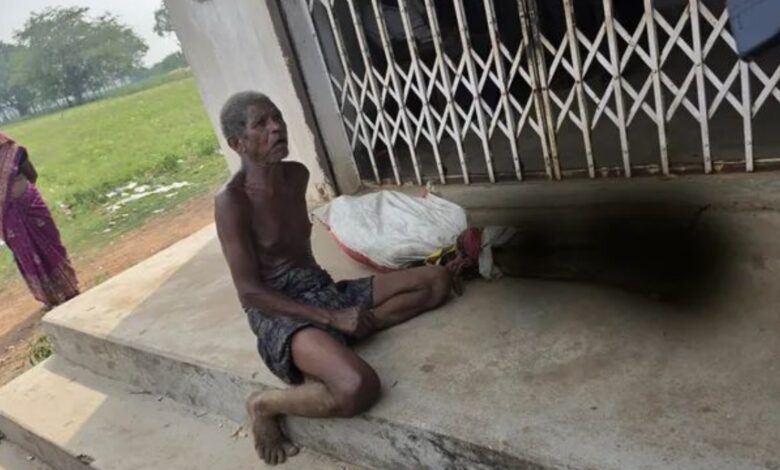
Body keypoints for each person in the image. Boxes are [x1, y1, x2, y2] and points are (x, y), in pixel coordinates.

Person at [214, 91, 454, 466]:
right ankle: (263, 405)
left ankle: (347, 334)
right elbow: (249, 292)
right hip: (279, 313)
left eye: (277, 118)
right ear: (237, 143)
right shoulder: (232, 201)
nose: (276, 127)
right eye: (261, 123)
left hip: (320, 289)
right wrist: (330, 317)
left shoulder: (297, 175)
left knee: (437, 280)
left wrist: (336, 309)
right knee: (356, 386)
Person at [0, 132, 79, 307]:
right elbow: (31, 175)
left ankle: (66, 289)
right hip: (11, 212)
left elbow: (31, 174)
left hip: (26, 206)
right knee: (27, 252)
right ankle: (51, 296)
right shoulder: (14, 152)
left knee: (47, 244)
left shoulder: (14, 152)